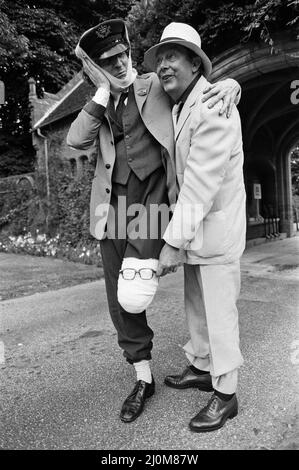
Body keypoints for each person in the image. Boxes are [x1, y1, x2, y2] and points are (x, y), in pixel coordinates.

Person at [67, 19, 241, 424]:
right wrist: (100, 91)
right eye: (110, 61)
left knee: (135, 293)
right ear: (97, 68)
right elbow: (75, 141)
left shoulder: (156, 84)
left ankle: (224, 387)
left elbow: (198, 80)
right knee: (119, 301)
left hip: (149, 206)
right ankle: (143, 378)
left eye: (124, 54)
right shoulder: (100, 99)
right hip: (109, 210)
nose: (122, 63)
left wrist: (234, 84)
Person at [144, 22, 246, 432]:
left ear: (194, 63)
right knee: (197, 306)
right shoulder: (180, 104)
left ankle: (227, 395)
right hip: (196, 231)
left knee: (220, 313)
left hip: (214, 229)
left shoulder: (213, 104)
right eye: (161, 58)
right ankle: (203, 368)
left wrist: (171, 242)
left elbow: (202, 182)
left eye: (173, 56)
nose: (164, 65)